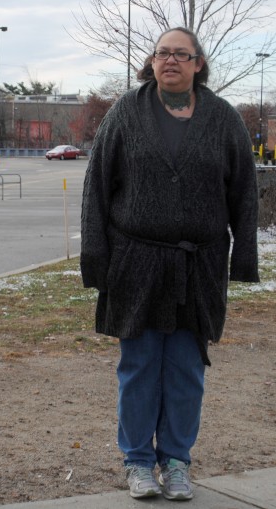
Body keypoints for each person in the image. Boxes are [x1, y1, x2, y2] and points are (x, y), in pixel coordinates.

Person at [80, 27, 259, 501]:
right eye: (163, 53)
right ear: (152, 61)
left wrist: (243, 259)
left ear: (199, 63)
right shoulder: (126, 112)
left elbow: (244, 192)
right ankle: (138, 461)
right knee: (138, 365)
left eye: (182, 54)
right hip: (135, 260)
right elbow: (96, 185)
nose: (171, 61)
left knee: (185, 366)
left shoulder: (223, 119)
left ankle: (177, 460)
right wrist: (95, 257)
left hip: (198, 265)